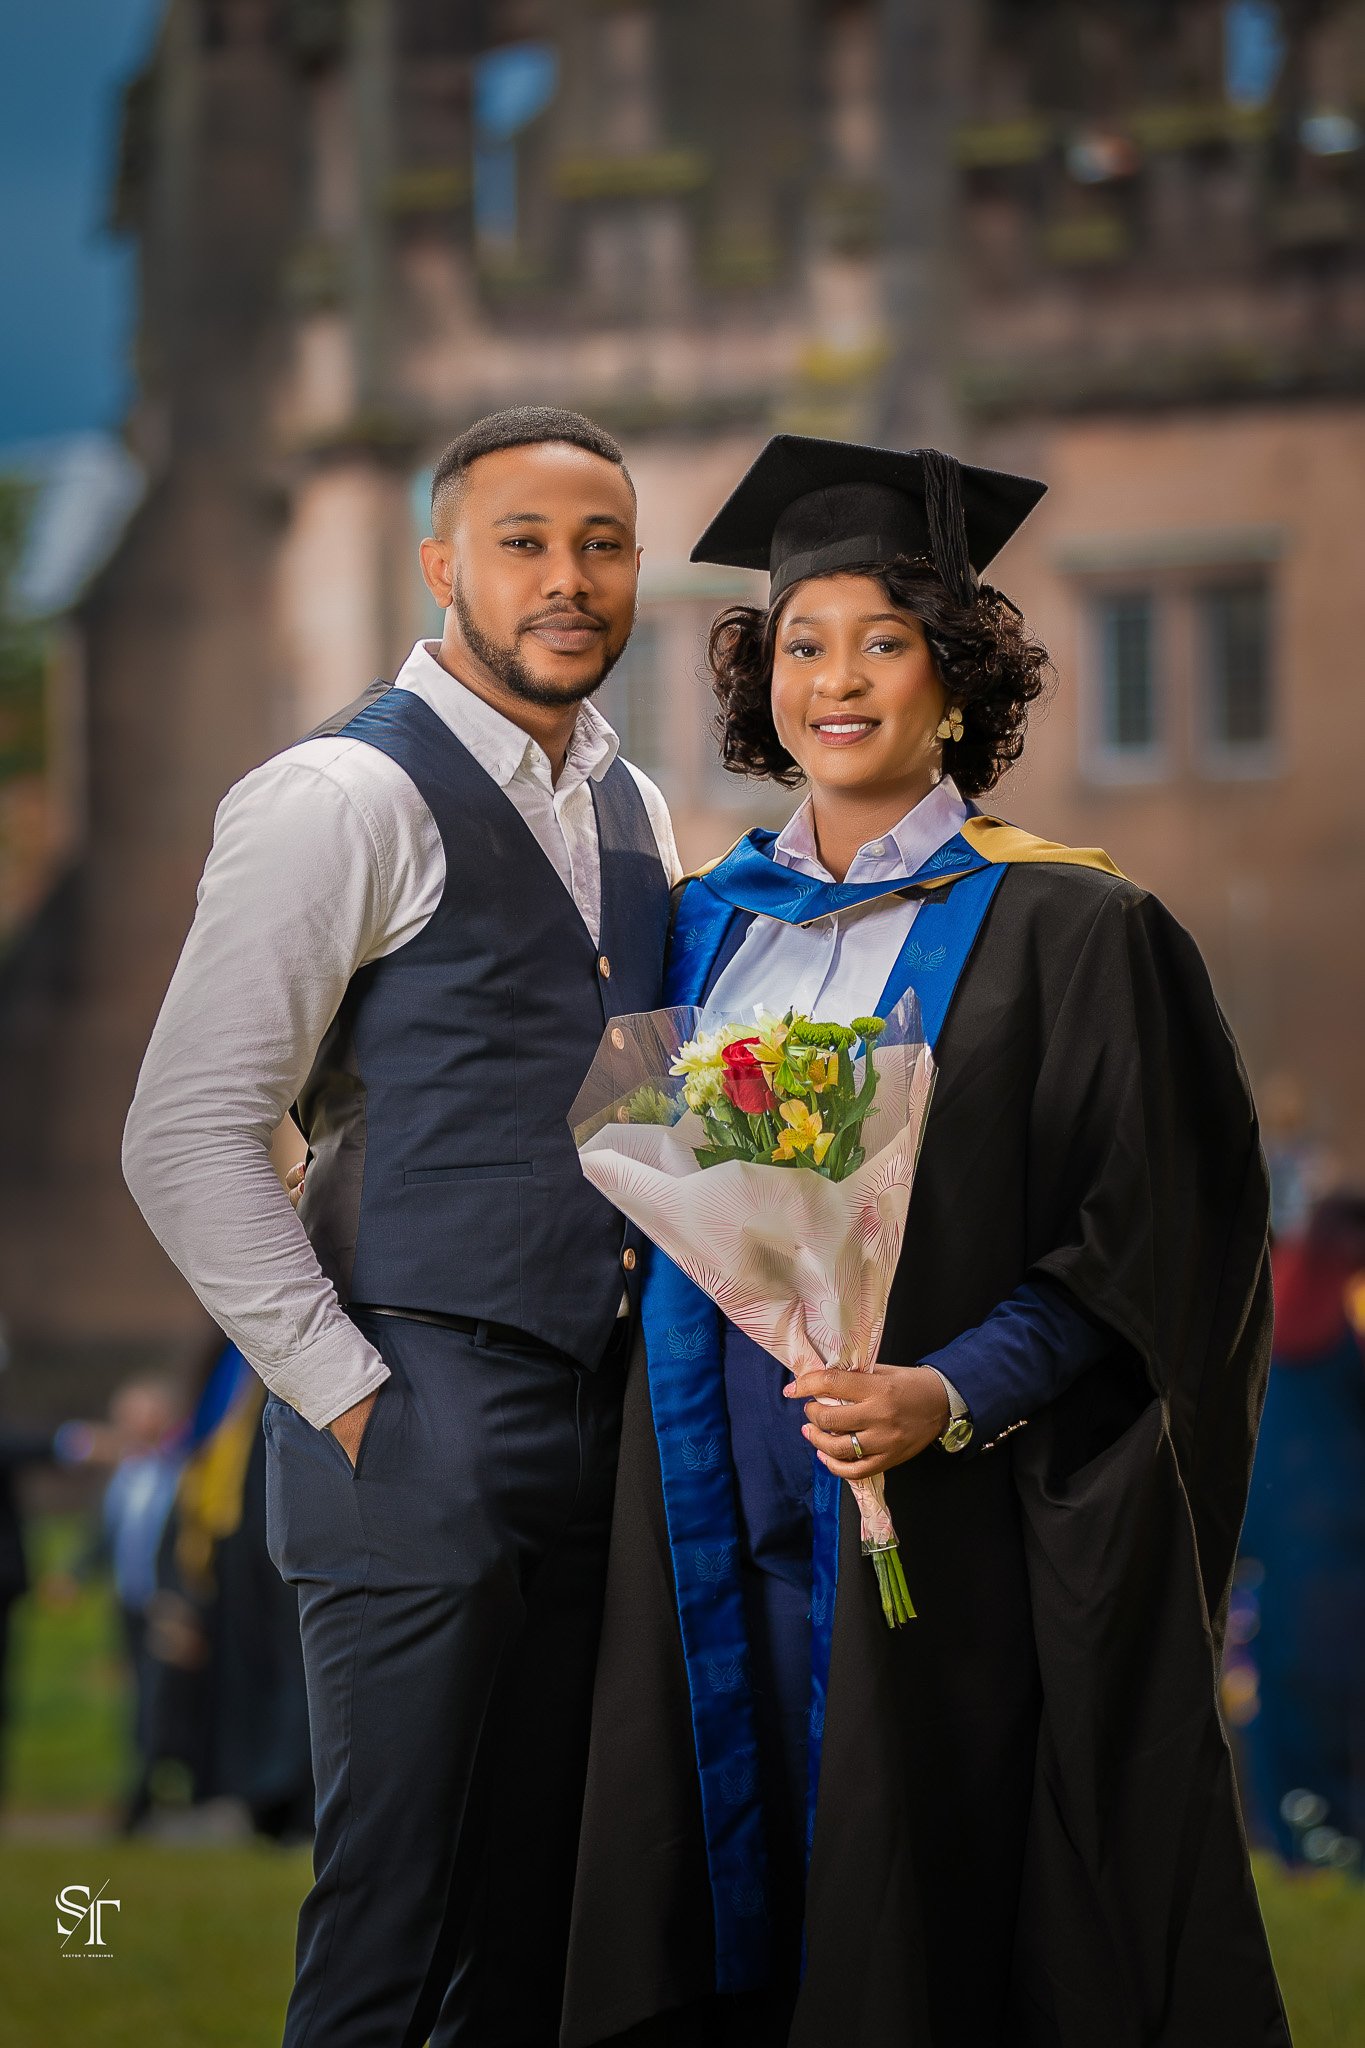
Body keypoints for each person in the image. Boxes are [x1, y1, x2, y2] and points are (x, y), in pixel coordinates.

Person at [562, 436, 1289, 2048]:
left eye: (883, 644)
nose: (839, 681)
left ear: (954, 683)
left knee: (922, 1933)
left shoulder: (1080, 932)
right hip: (695, 1517)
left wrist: (944, 1394)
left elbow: (1151, 1255)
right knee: (713, 1913)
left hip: (937, 1532)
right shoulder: (698, 925)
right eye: (802, 646)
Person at [123, 407, 678, 2046]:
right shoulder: (337, 791)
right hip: (410, 1414)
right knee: (390, 1928)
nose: (567, 578)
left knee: (543, 1926)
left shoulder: (637, 802)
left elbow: (641, 1112)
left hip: (605, 1425)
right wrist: (357, 1402)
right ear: (442, 564)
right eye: (524, 541)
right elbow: (186, 1132)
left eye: (603, 543)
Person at [1237, 1192, 1365, 1863]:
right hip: (1342, 1537)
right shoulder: (1349, 1302)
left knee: (1284, 1687)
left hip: (1276, 1536)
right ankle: (1337, 1839)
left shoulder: (1278, 1292)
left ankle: (1295, 1839)